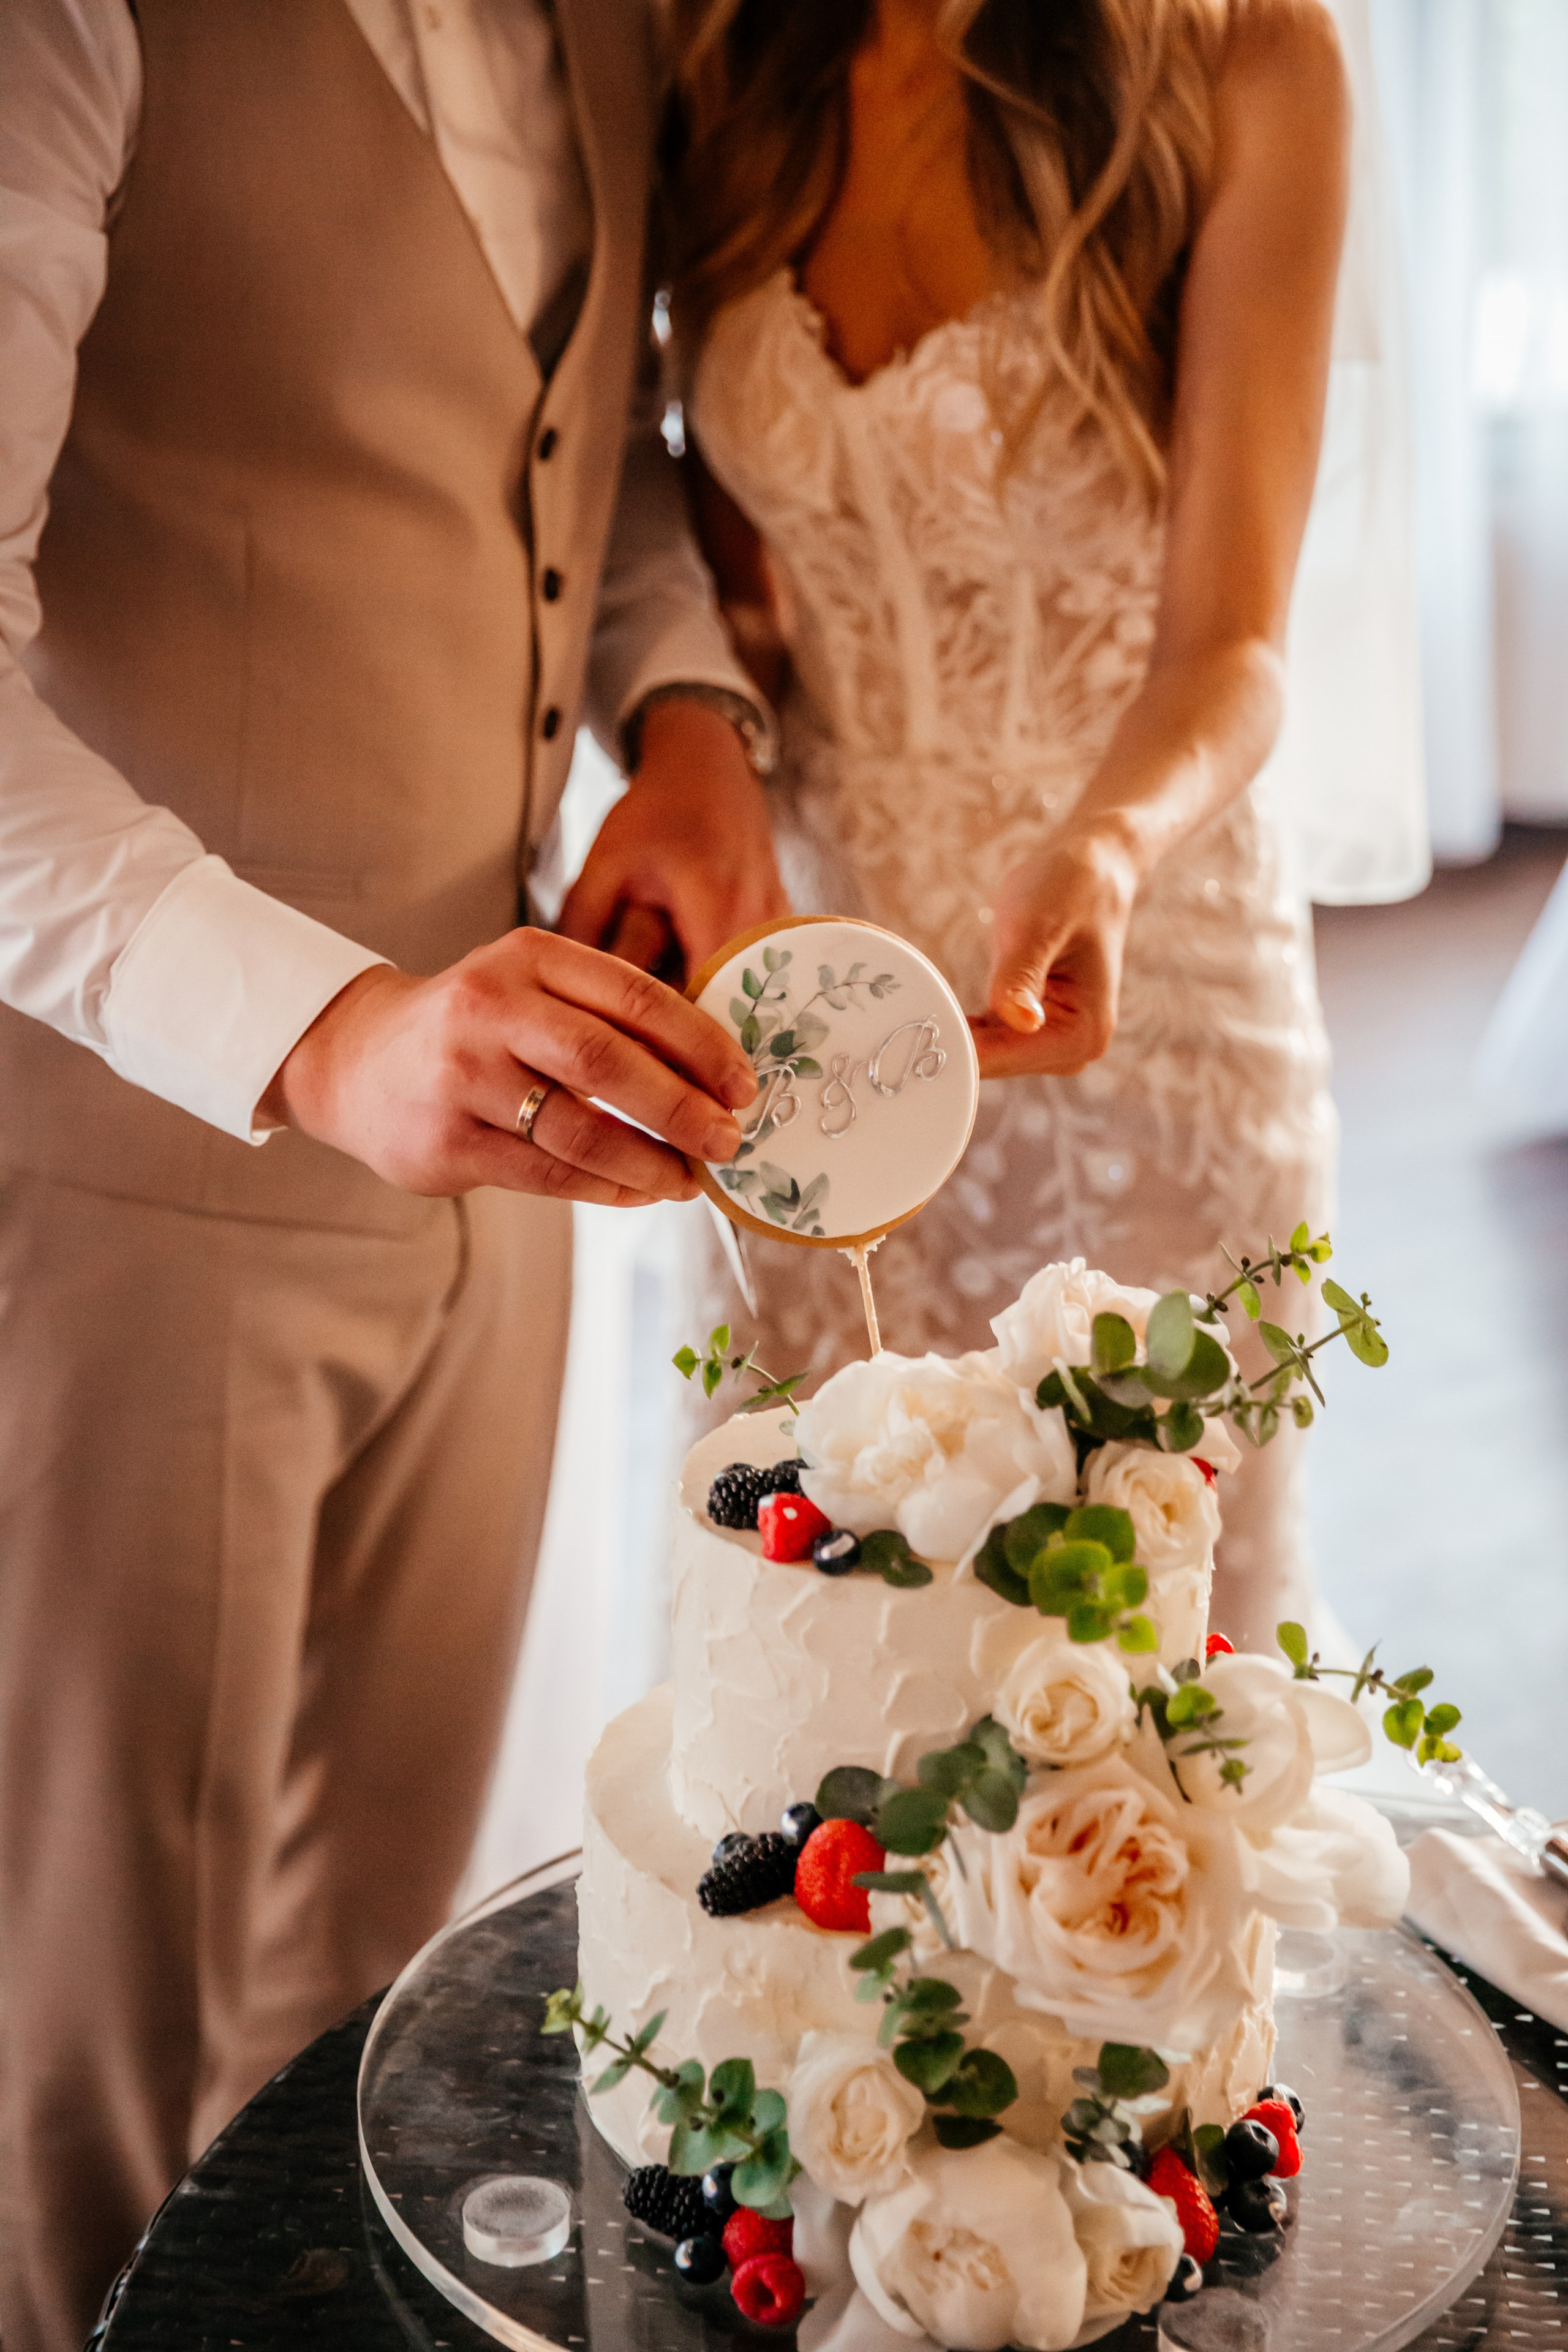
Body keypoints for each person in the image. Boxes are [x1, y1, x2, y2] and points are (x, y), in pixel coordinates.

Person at [0, 4, 788, 2343]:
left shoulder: (627, 20)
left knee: (374, 1993)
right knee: (86, 2058)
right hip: (131, 1184)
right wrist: (324, 1026)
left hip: (504, 1179)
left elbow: (593, 440)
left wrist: (688, 720)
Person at [657, 0, 1356, 1650]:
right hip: (828, 1013)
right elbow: (721, 578)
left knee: (1134, 1689)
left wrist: (1104, 845)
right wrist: (699, 783)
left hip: (1144, 986)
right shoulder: (724, 59)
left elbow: (1236, 645)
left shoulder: (1245, 59)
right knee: (819, 1663)